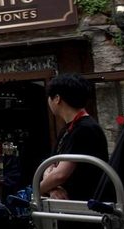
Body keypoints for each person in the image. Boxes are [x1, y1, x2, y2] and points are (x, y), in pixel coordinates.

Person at [41, 73, 109, 202]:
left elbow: (60, 174)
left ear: (57, 98)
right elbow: (50, 168)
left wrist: (37, 189)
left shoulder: (84, 129)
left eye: (49, 97)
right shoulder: (67, 129)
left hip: (86, 205)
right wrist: (52, 188)